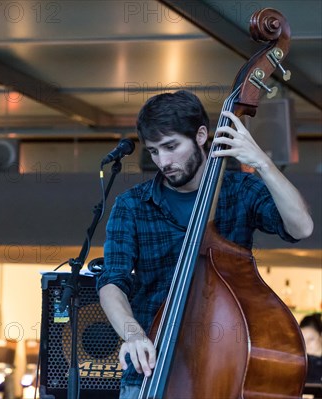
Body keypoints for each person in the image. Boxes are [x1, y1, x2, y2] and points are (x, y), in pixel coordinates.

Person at [97, 90, 313, 399]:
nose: (163, 161)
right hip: (148, 374)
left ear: (201, 135)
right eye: (155, 151)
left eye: (172, 147)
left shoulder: (240, 190)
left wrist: (263, 163)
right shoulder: (131, 205)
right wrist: (132, 334)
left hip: (220, 372)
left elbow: (301, 227)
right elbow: (111, 282)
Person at [300, 313, 322, 385]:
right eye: (303, 340)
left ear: (321, 336)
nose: (306, 344)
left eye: (311, 339)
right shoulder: (300, 364)